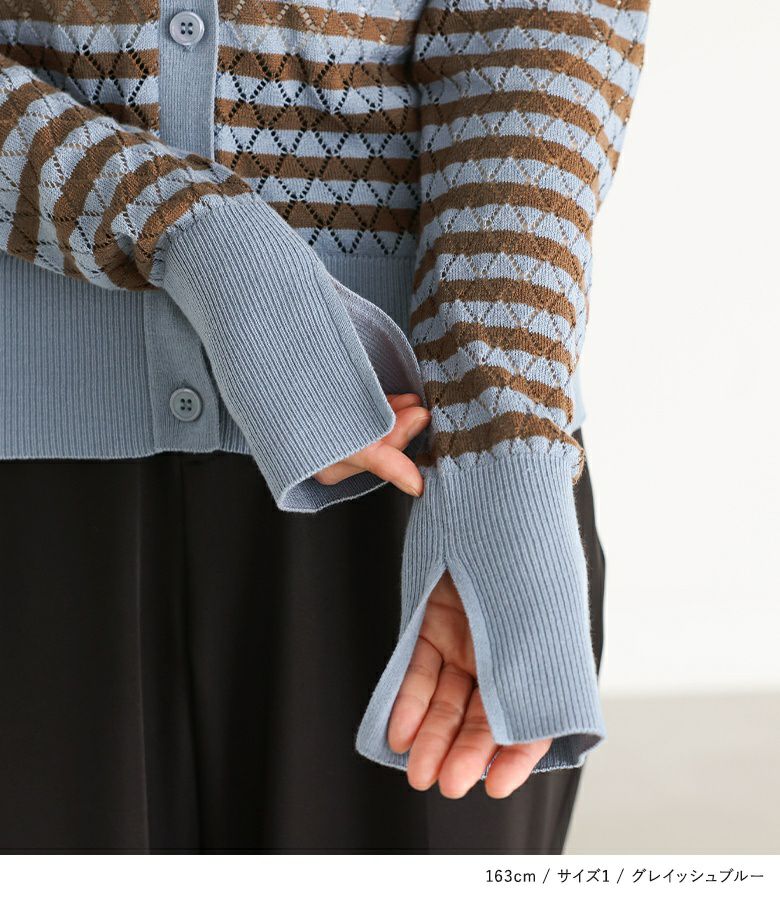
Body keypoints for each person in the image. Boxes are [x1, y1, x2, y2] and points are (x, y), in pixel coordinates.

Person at [0, 0, 649, 851]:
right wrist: (196, 233)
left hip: (428, 471)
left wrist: (502, 437)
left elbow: (539, 33)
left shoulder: (480, 451)